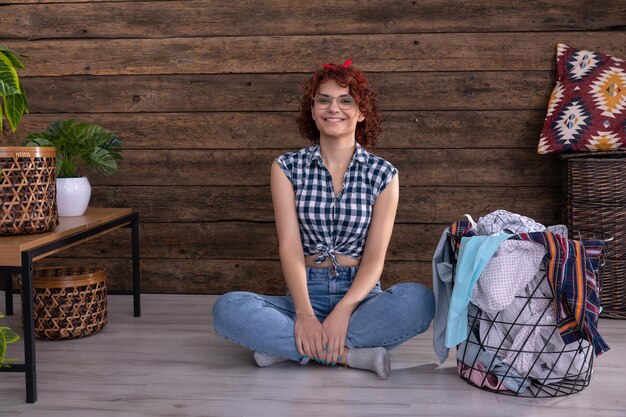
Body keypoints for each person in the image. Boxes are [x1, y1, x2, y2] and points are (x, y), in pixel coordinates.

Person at [213, 60, 435, 379]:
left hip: (361, 296)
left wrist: (344, 310)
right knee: (228, 309)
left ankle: (289, 350)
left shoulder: (384, 174)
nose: (335, 108)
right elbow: (289, 247)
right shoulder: (286, 167)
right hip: (305, 290)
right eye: (324, 99)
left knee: (420, 301)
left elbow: (374, 259)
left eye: (346, 100)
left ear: (361, 112)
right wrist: (304, 314)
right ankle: (350, 356)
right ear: (313, 111)